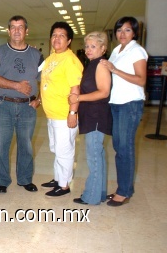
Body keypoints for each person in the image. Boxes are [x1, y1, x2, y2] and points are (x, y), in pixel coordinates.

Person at [0, 15, 43, 194]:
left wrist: (38, 99)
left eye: (21, 27)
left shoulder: (36, 55)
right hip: (4, 105)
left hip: (27, 108)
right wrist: (17, 85)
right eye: (14, 27)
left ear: (26, 31)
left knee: (25, 144)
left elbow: (46, 81)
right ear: (8, 31)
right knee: (2, 144)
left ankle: (25, 179)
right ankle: (2, 180)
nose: (17, 30)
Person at [100, 16, 148, 207]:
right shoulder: (117, 50)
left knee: (124, 148)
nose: (122, 34)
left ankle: (124, 191)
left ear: (134, 32)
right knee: (119, 147)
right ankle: (123, 187)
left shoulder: (137, 51)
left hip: (130, 104)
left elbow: (141, 80)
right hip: (116, 103)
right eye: (120, 30)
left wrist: (115, 70)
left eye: (127, 30)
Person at [39, 22, 83, 198]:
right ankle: (58, 178)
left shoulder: (70, 60)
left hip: (64, 115)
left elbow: (75, 89)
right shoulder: (52, 58)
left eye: (61, 36)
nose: (56, 39)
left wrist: (73, 113)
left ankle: (64, 185)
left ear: (69, 40)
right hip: (52, 114)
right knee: (56, 149)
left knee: (64, 151)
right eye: (54, 35)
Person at [73, 31, 112, 205]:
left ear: (103, 48)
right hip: (91, 115)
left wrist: (78, 98)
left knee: (94, 157)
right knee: (99, 155)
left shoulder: (101, 65)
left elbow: (104, 92)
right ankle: (100, 193)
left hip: (96, 116)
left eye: (93, 46)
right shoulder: (92, 64)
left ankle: (91, 196)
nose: (88, 49)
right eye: (87, 46)